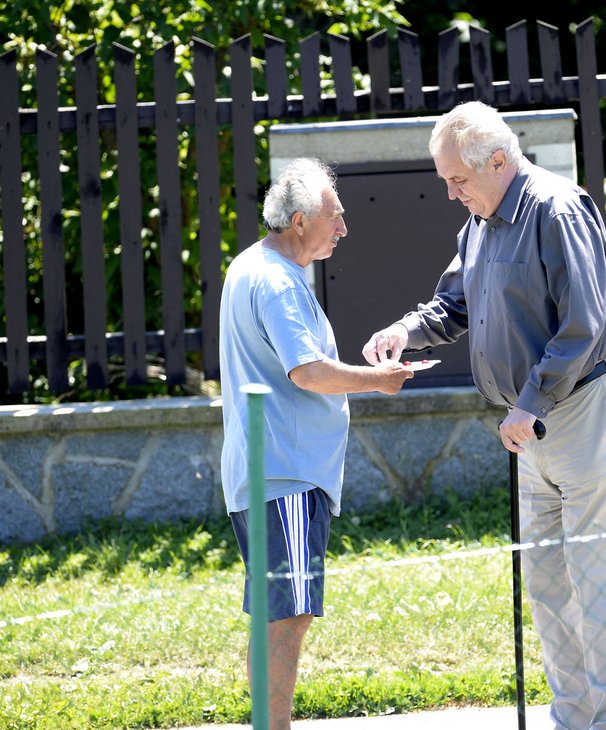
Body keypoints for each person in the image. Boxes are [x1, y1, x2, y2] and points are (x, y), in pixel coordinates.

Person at [362, 101, 606, 729]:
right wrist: (403, 333)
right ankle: (575, 719)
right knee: (549, 583)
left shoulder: (556, 209)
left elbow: (585, 324)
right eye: (444, 181)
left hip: (584, 409)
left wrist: (529, 403)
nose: (450, 193)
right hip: (531, 425)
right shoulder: (480, 220)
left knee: (604, 580)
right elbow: (452, 306)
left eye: (457, 180)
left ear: (499, 161)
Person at [219, 157, 413, 730]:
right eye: (337, 216)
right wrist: (379, 379)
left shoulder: (253, 266)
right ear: (300, 221)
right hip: (288, 474)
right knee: (289, 615)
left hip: (268, 470)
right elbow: (306, 370)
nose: (344, 228)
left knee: (278, 614)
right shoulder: (277, 281)